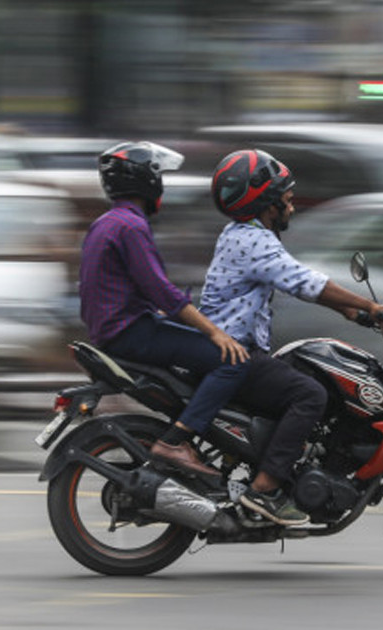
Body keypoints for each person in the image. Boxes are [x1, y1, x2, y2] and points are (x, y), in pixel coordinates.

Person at [201, 149, 383, 526]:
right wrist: (371, 307)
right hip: (234, 354)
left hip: (228, 349)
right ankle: (264, 489)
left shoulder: (240, 234)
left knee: (304, 375)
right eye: (287, 200)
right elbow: (305, 282)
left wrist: (352, 311)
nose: (291, 207)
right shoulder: (254, 241)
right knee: (311, 394)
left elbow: (296, 280)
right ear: (265, 201)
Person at [77, 141, 249, 481]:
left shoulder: (106, 222)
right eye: (160, 178)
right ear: (147, 181)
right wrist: (214, 331)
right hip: (132, 334)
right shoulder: (131, 227)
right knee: (233, 359)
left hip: (114, 332)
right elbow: (162, 293)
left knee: (197, 361)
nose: (162, 187)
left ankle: (193, 437)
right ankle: (177, 441)